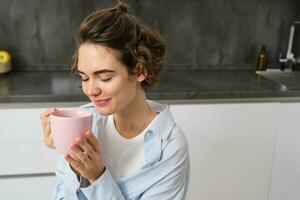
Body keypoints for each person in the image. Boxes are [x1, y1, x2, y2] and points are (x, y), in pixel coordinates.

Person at [40, 1, 190, 199]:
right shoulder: (86, 123)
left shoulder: (169, 147)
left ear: (139, 70)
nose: (91, 90)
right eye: (84, 77)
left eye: (105, 78)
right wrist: (74, 165)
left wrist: (97, 178)